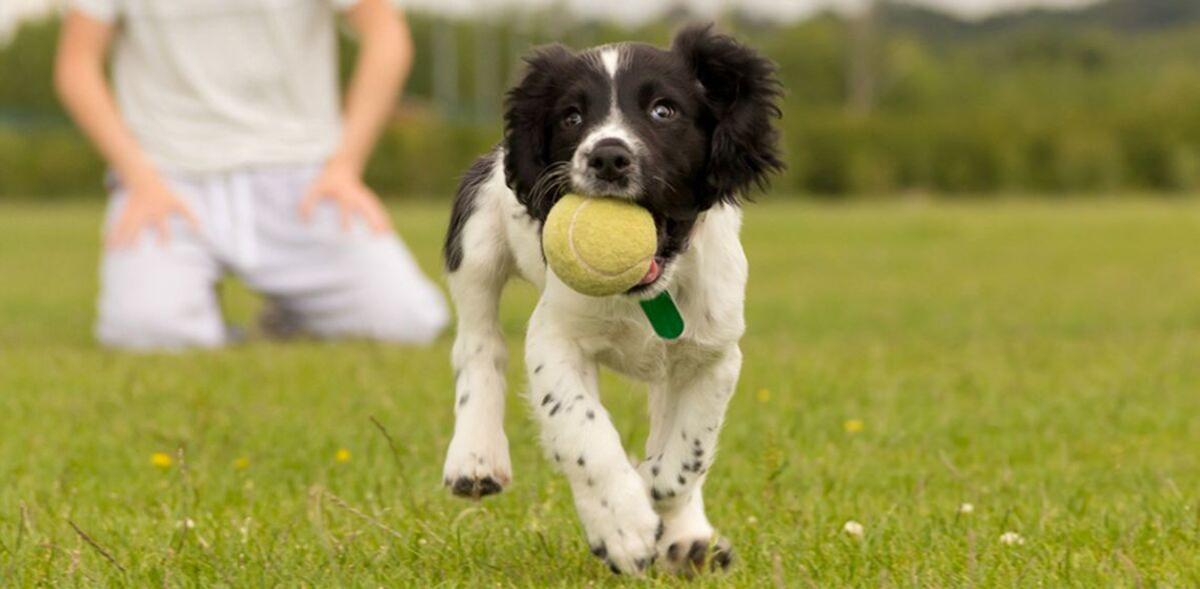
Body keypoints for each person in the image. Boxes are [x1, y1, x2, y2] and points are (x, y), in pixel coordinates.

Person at [54, 0, 449, 350]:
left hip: (304, 177)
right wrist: (139, 179)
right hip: (166, 180)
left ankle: (292, 315)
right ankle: (193, 299)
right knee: (146, 333)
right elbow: (76, 64)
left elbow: (387, 35)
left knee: (407, 322)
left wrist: (345, 166)